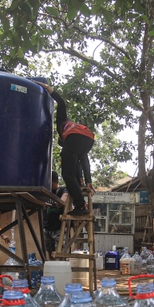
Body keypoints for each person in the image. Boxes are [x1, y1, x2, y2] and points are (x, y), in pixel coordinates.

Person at [39, 83, 94, 216]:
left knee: (67, 174)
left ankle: (80, 205)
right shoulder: (74, 132)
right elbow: (84, 159)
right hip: (89, 138)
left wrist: (48, 88)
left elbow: (61, 103)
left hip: (75, 136)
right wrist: (89, 180)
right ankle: (79, 183)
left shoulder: (62, 122)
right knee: (75, 162)